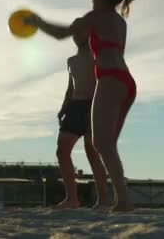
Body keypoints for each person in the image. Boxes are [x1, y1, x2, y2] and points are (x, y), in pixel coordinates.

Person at [26, 0, 136, 212]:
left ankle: (123, 200)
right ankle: (120, 199)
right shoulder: (120, 22)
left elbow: (60, 33)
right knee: (107, 145)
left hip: (110, 78)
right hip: (126, 81)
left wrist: (37, 22)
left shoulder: (95, 17)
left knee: (101, 145)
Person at [54, 33, 109, 209]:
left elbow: (103, 83)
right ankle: (71, 199)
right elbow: (71, 87)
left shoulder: (97, 57)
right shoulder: (71, 61)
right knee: (62, 151)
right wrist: (63, 108)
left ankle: (102, 201)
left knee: (92, 153)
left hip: (94, 105)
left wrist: (98, 108)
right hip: (75, 106)